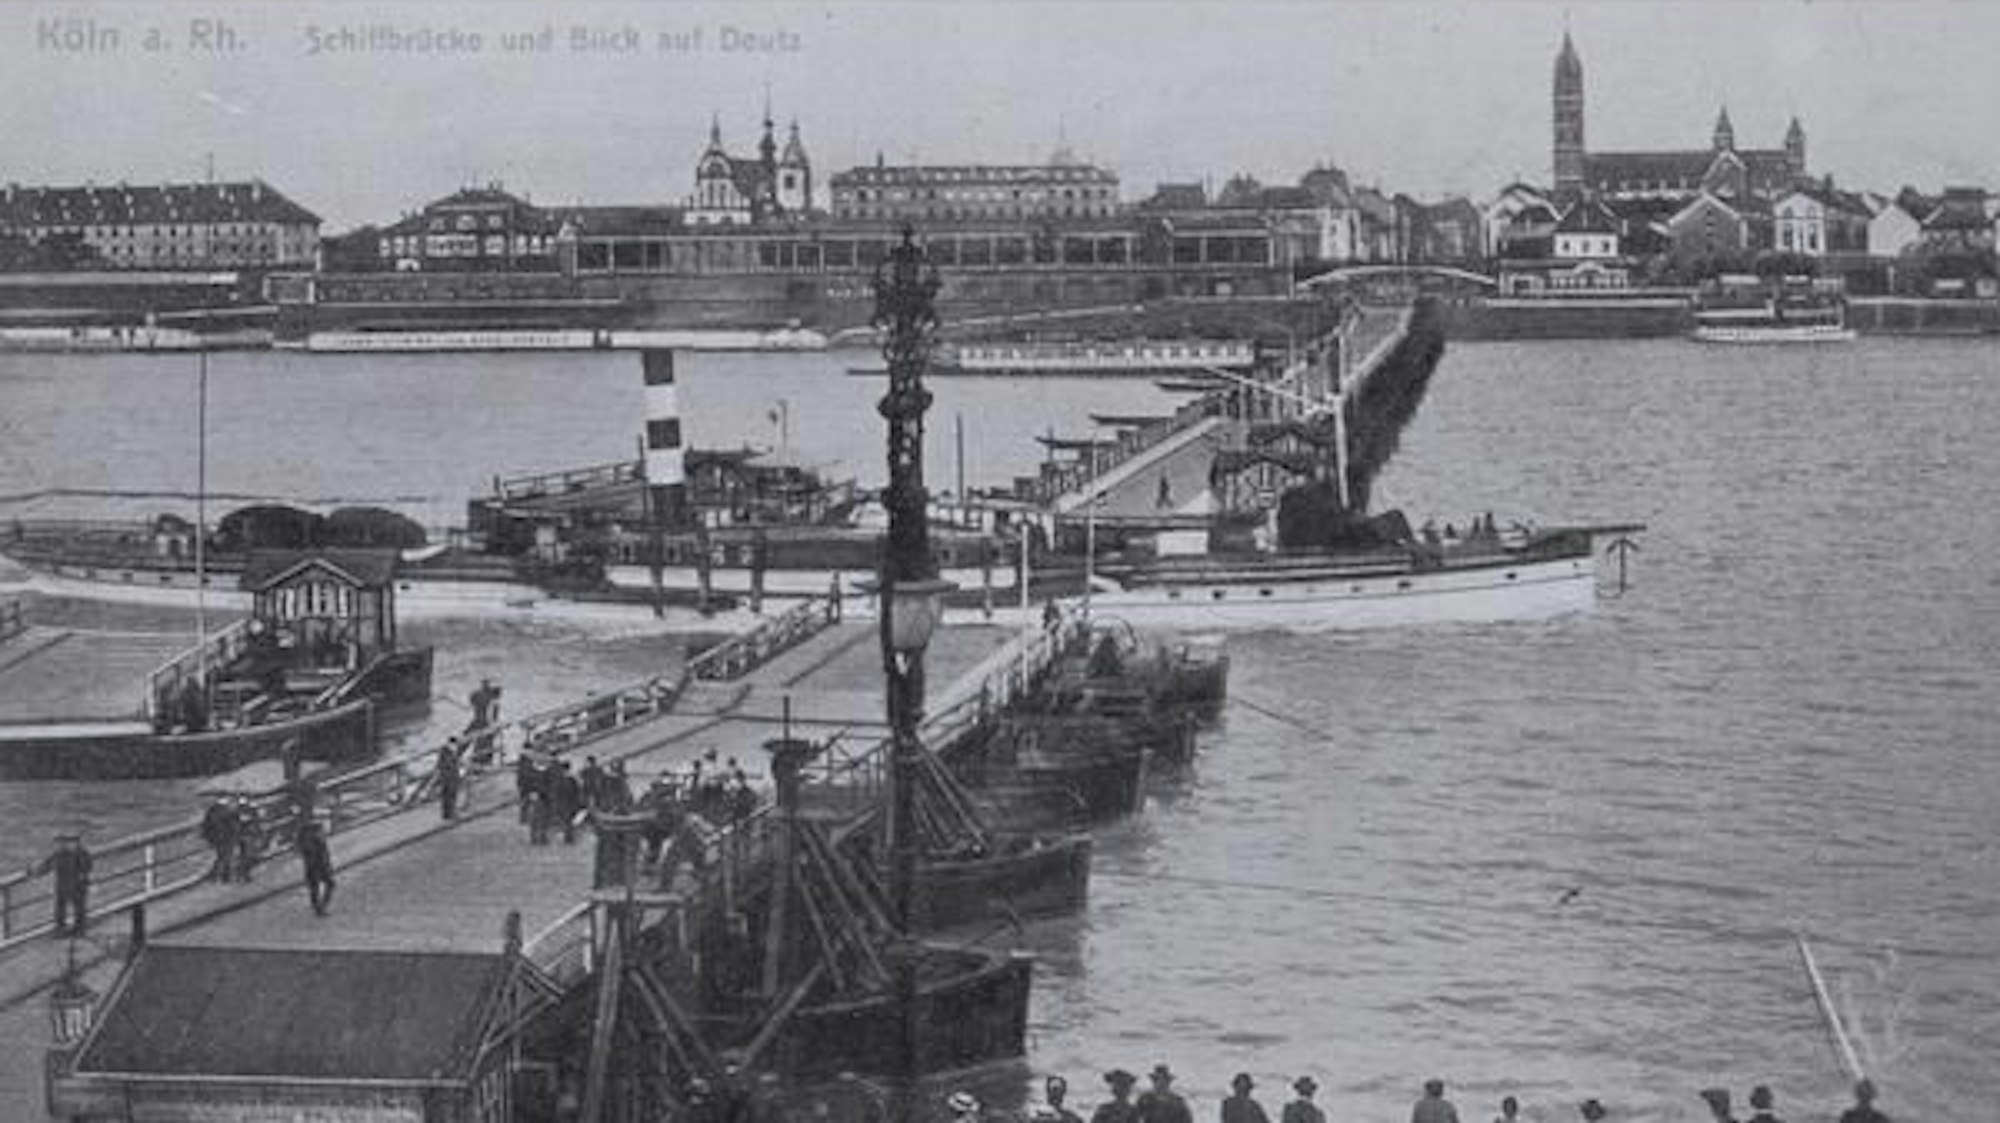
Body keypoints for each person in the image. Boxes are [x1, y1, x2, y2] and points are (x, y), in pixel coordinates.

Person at [40, 835, 92, 936]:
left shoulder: (78, 853)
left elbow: (87, 867)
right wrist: (32, 872)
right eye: (59, 843)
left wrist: (81, 852)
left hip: (76, 886)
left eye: (63, 843)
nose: (60, 845)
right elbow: (45, 866)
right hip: (63, 886)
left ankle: (78, 929)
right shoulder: (57, 854)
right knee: (60, 910)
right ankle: (61, 929)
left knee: (78, 910)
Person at [296, 816, 335, 916]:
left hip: (314, 865)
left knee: (317, 887)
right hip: (316, 865)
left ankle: (319, 906)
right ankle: (320, 907)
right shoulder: (311, 838)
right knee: (324, 885)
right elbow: (320, 852)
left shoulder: (305, 837)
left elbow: (324, 851)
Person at [200, 796, 239, 882]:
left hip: (220, 837)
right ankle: (218, 876)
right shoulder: (224, 811)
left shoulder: (213, 810)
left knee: (224, 856)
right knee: (224, 856)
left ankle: (221, 876)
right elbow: (228, 824)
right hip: (223, 837)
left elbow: (207, 825)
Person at [552, 761, 584, 844]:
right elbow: (578, 791)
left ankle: (568, 837)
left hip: (563, 803)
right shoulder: (573, 779)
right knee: (569, 821)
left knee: (566, 820)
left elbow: (555, 792)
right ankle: (569, 837)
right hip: (571, 803)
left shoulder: (559, 779)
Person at [437, 740, 463, 821]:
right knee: (449, 795)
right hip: (448, 776)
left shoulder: (447, 752)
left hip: (450, 775)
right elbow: (447, 764)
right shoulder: (447, 753)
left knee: (450, 794)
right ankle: (450, 813)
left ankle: (448, 813)